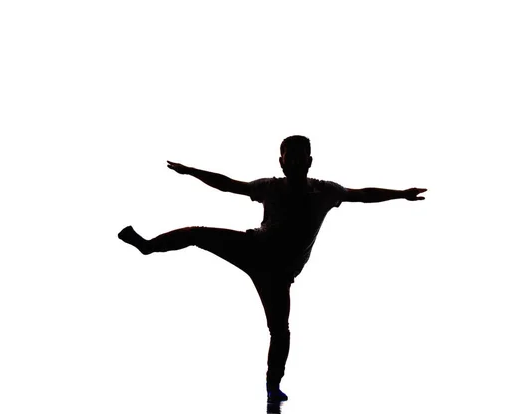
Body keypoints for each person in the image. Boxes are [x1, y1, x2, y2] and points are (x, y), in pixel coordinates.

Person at [118, 135, 427, 403]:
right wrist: (191, 171)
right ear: (281, 162)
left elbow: (363, 194)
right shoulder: (270, 187)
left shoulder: (326, 191)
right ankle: (147, 245)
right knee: (195, 233)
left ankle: (272, 386)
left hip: (278, 275)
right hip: (252, 248)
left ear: (309, 161)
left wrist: (401, 194)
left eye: (299, 158)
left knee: (280, 332)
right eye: (287, 158)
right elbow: (228, 185)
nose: (293, 163)